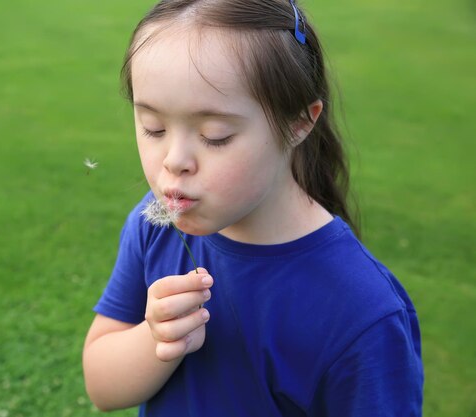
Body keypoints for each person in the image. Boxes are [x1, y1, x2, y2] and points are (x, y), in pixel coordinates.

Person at [82, 0, 424, 415]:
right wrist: (156, 340)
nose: (174, 160)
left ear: (299, 122)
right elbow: (102, 389)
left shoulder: (362, 313)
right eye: (153, 128)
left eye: (215, 135)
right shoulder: (155, 225)